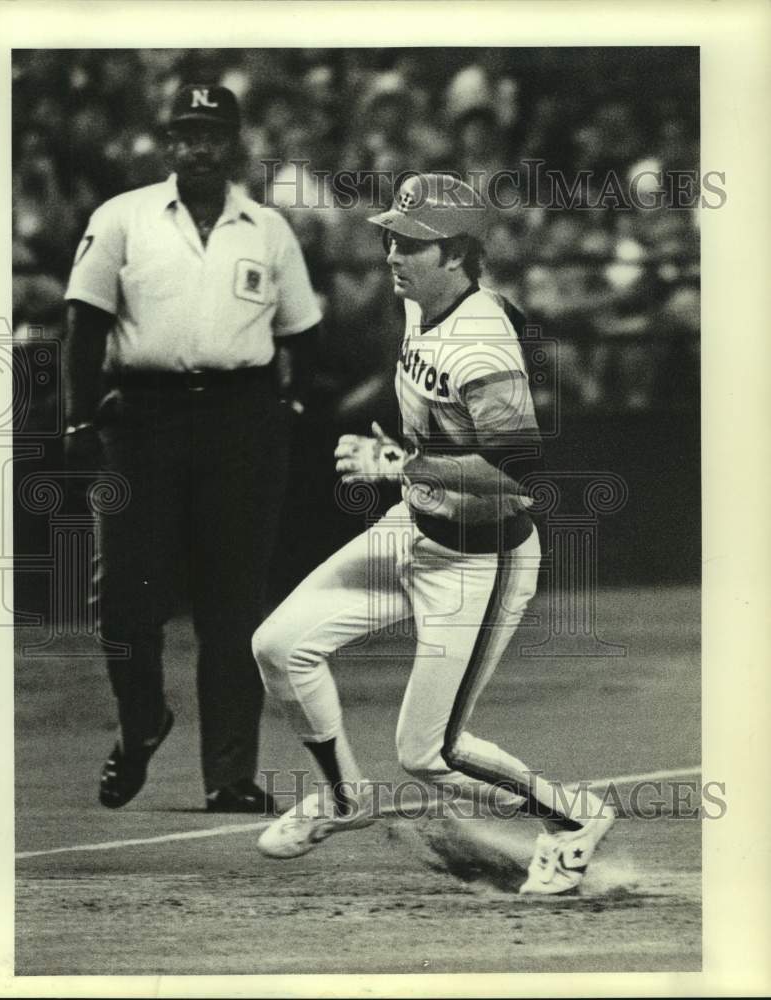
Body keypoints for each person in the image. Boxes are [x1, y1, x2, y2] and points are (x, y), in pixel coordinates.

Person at [252, 173, 616, 894]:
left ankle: (575, 821)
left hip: (480, 561)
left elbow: (519, 476)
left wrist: (395, 461)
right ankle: (346, 797)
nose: (392, 251)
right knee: (280, 645)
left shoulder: (482, 343)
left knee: (430, 755)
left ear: (456, 253)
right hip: (414, 529)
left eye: (411, 242)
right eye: (391, 235)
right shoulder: (425, 305)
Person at [63, 84, 322, 813]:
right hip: (144, 417)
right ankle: (142, 717)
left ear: (234, 142)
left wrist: (288, 408)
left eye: (213, 133)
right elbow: (84, 324)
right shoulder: (123, 218)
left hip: (240, 419)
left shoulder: (265, 227)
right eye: (186, 133)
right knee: (124, 597)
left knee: (232, 602)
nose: (200, 146)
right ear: (166, 143)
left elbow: (302, 333)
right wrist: (82, 421)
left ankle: (230, 774)